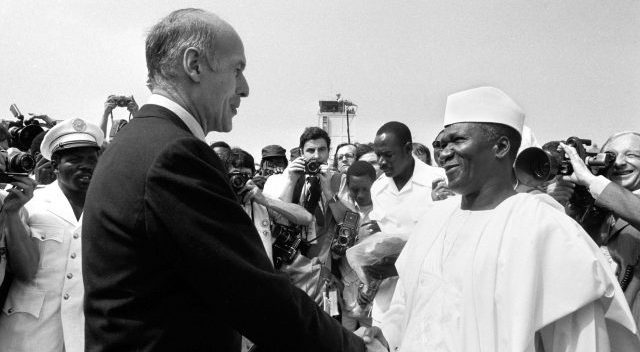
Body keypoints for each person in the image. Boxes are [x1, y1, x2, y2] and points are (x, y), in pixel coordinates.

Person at [82, 9, 375, 352]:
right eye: (237, 70)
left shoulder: (137, 142)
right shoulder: (174, 155)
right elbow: (252, 292)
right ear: (194, 65)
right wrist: (355, 348)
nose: (245, 88)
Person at [380, 86, 639, 351]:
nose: (444, 153)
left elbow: (578, 341)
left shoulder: (544, 227)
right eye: (440, 144)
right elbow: (405, 304)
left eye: (457, 141)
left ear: (501, 146)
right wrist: (383, 338)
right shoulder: (433, 220)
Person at [0, 118, 102, 352]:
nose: (86, 166)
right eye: (74, 159)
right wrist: (13, 215)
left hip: (81, 334)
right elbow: (25, 272)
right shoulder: (30, 202)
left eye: (91, 159)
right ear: (55, 165)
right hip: (28, 334)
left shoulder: (107, 207)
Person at [556, 131, 640, 328]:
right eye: (611, 156)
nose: (619, 162)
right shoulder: (596, 208)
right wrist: (558, 203)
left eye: (632, 155)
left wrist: (593, 181)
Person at [367, 121, 445, 327]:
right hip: (388, 296)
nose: (382, 162)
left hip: (429, 293)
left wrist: (402, 264)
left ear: (408, 149)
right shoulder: (378, 189)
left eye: (388, 155)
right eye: (378, 155)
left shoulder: (439, 182)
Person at [263, 127, 341, 306]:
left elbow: (346, 221)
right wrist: (291, 181)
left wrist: (328, 191)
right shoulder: (279, 180)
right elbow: (278, 219)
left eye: (322, 150)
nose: (316, 156)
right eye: (310, 150)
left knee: (324, 322)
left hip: (321, 266)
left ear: (329, 152)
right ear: (301, 152)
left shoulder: (337, 180)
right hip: (288, 263)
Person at [226, 147, 312, 262]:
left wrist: (265, 200)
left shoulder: (260, 201)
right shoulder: (218, 203)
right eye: (235, 175)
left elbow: (306, 217)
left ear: (252, 176)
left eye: (245, 175)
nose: (239, 180)